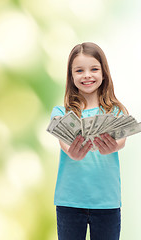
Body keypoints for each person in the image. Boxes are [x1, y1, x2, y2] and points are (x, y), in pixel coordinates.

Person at [50, 42, 128, 240]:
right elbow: (63, 143)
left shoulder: (116, 112)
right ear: (71, 76)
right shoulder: (61, 113)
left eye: (94, 69)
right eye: (79, 70)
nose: (87, 75)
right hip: (69, 202)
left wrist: (112, 146)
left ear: (104, 74)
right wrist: (72, 152)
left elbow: (122, 140)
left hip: (107, 203)